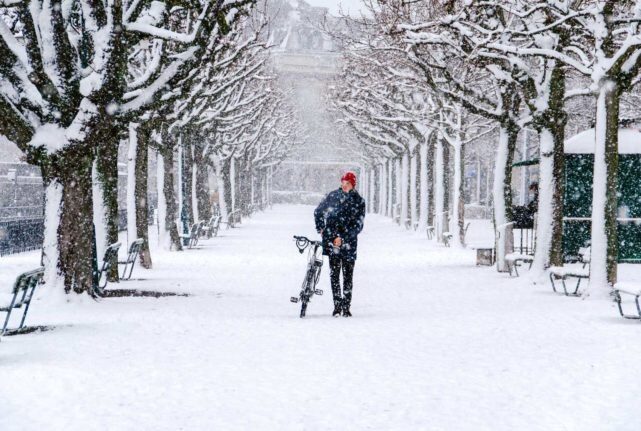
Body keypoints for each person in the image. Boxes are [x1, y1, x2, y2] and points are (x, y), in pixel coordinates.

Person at [314, 172, 366, 317]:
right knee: (334, 275)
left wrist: (343, 238)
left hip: (349, 243)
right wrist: (321, 228)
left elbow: (358, 225)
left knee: (348, 276)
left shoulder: (359, 201)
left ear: (353, 185)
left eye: (348, 183)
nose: (344, 185)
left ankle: (346, 306)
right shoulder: (332, 196)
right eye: (343, 182)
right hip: (332, 241)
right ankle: (337, 306)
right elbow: (318, 212)